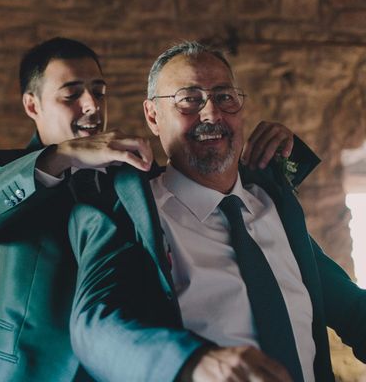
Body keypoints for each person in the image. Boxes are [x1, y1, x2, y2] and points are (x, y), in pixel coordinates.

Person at [0, 37, 301, 381]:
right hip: (33, 373)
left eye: (99, 92)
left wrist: (287, 153)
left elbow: (210, 182)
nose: (91, 105)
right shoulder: (0, 169)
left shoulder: (131, 174)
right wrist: (64, 155)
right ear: (32, 105)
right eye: (71, 94)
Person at [67, 41, 366, 382]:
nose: (211, 114)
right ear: (152, 116)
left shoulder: (275, 206)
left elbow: (354, 310)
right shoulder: (127, 212)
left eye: (224, 97)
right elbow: (98, 326)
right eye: (190, 99)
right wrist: (191, 363)